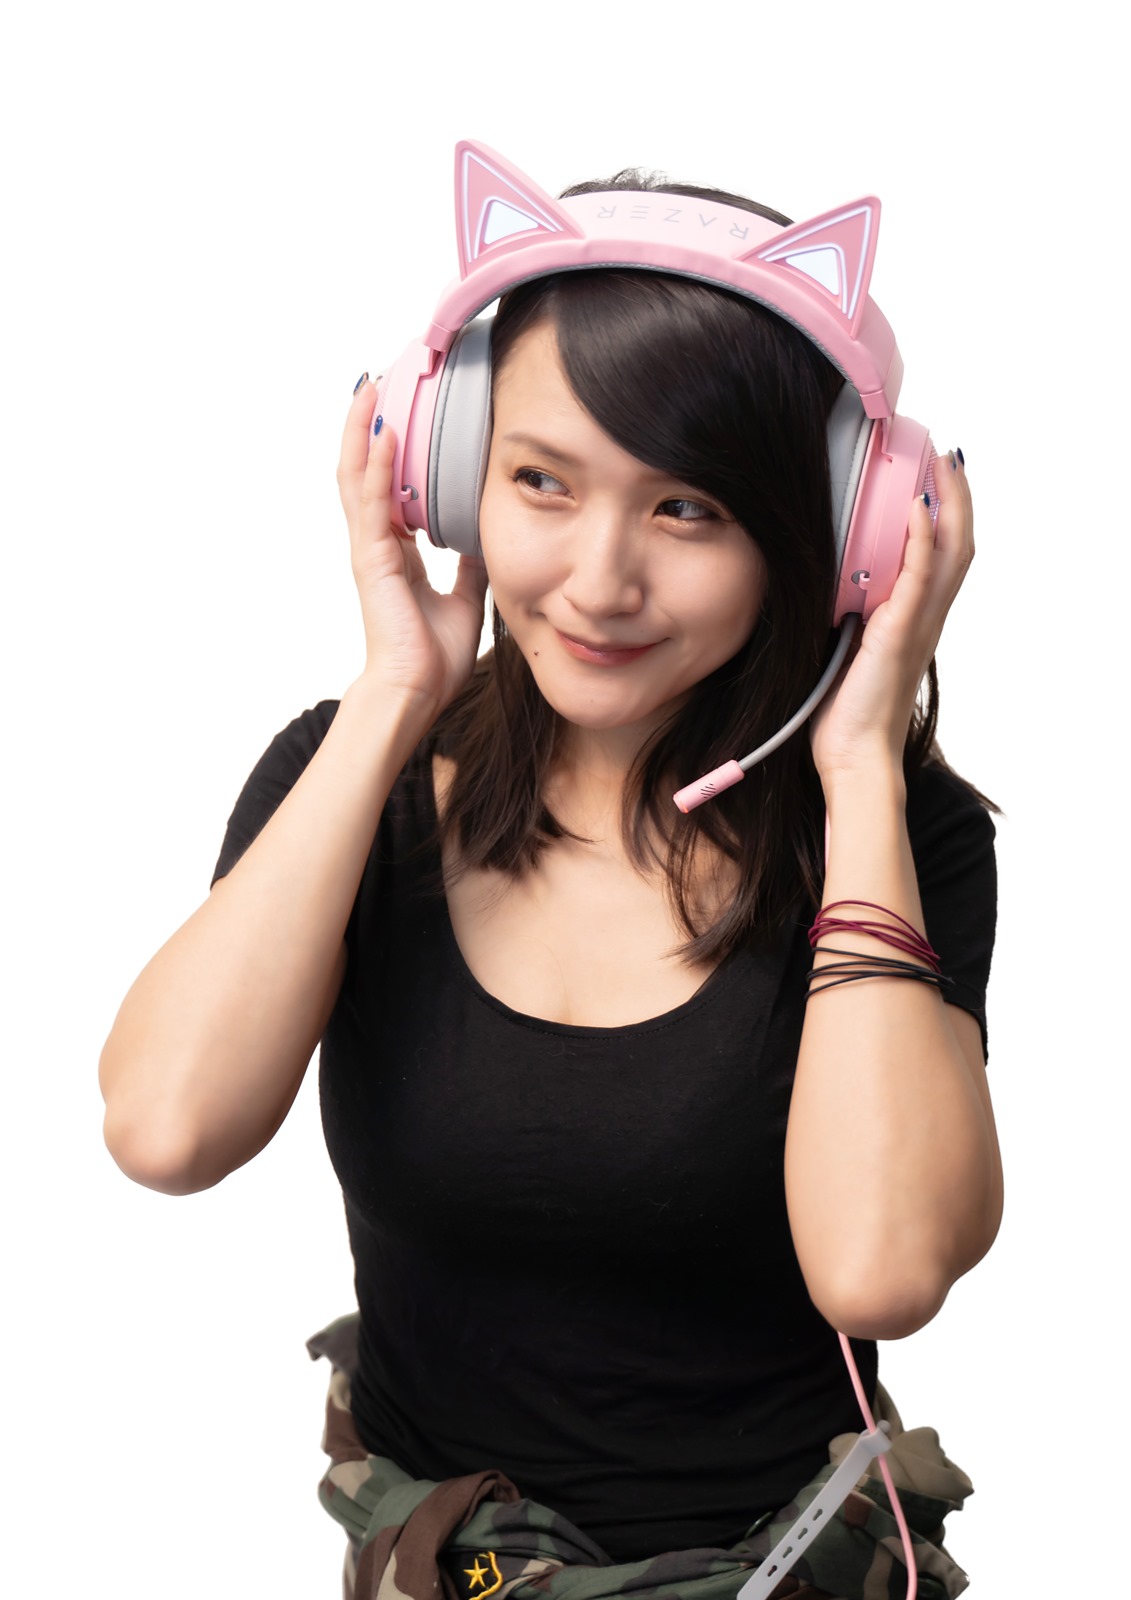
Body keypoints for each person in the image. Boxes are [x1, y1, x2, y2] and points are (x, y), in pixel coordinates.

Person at [99, 145, 1001, 1600]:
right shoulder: (352, 783)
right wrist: (395, 693)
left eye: (688, 508)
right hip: (442, 1572)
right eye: (539, 482)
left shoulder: (898, 841)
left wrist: (859, 776)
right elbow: (165, 1129)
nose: (598, 581)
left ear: (842, 533)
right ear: (442, 472)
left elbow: (883, 1270)